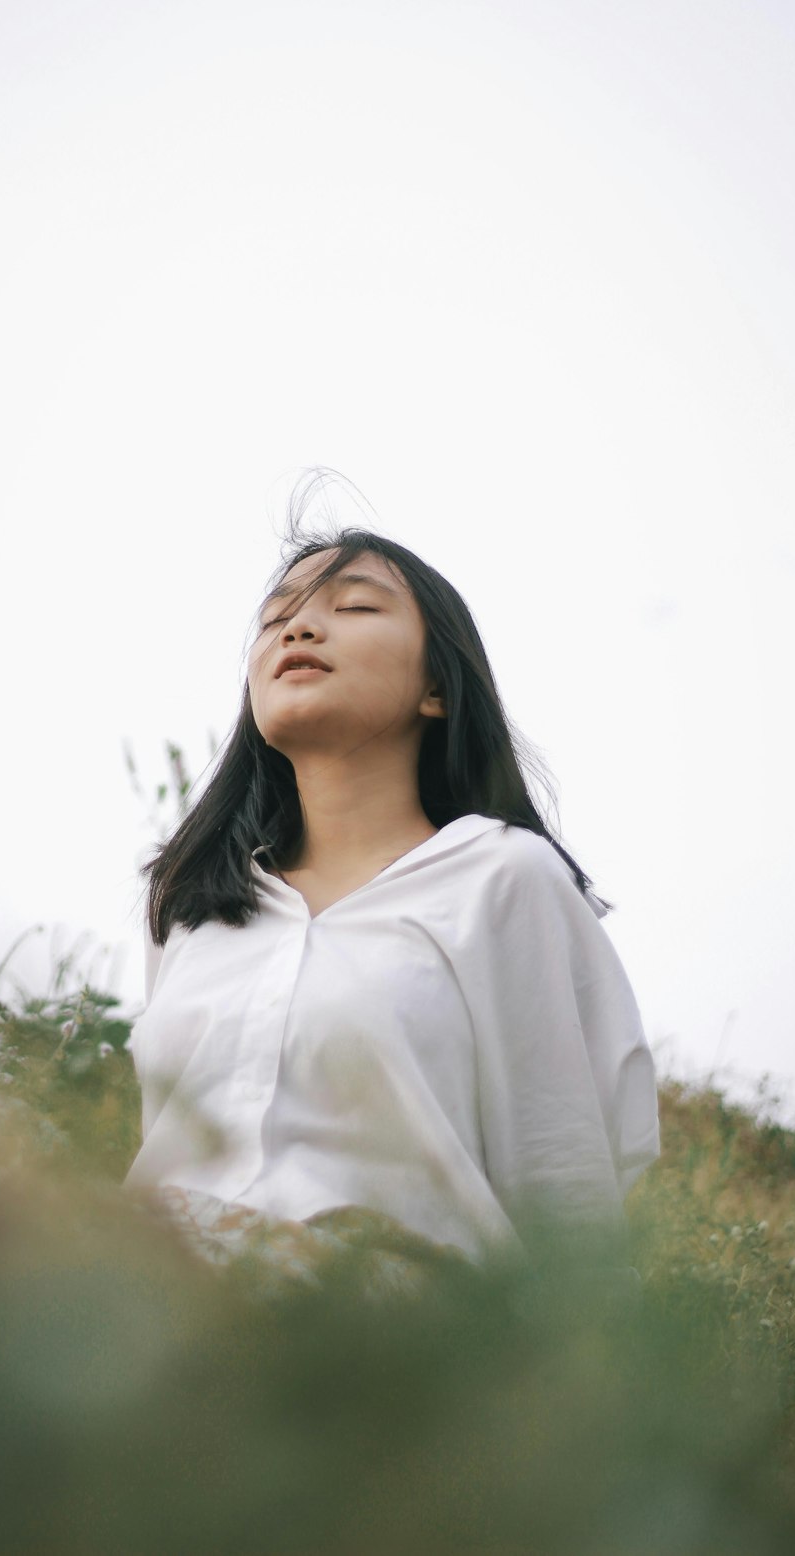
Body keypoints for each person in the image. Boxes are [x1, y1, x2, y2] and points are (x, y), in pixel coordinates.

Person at [121, 521, 661, 1291]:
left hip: (389, 1321)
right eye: (277, 619)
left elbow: (562, 1175)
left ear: (437, 688)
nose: (299, 627)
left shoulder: (501, 880)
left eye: (356, 607)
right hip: (168, 1301)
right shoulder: (191, 907)